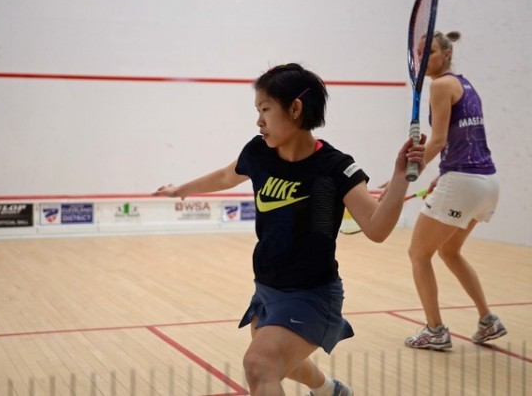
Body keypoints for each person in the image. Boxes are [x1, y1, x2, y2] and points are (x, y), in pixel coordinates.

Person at [154, 63, 425, 396]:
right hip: (267, 288)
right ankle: (330, 391)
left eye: (265, 109)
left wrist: (400, 176)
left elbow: (377, 228)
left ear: (295, 109)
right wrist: (181, 189)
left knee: (260, 365)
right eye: (258, 110)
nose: (259, 121)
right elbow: (226, 176)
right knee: (286, 362)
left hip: (312, 295)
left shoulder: (334, 168)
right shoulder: (259, 153)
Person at [401, 31, 507, 350]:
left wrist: (407, 174)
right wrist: (442, 173)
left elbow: (438, 140)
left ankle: (435, 330)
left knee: (418, 253)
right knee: (449, 251)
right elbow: (464, 140)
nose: (423, 59)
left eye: (430, 52)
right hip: (487, 183)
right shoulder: (465, 84)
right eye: (420, 53)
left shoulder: (440, 85)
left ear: (446, 54)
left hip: (464, 182)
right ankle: (487, 320)